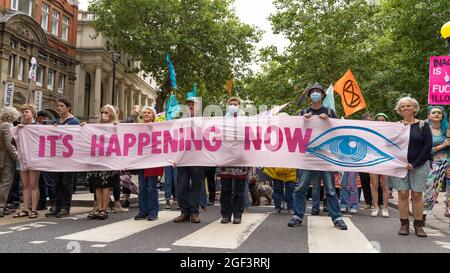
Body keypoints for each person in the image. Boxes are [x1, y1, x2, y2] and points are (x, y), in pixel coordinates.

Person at [288, 83, 347, 230]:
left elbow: (338, 131)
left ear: (322, 95)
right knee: (301, 187)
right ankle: (297, 215)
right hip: (308, 156)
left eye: (318, 91)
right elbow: (294, 134)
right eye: (312, 91)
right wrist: (303, 121)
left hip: (325, 156)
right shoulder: (303, 112)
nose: (315, 93)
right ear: (309, 96)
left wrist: (329, 120)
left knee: (331, 189)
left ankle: (337, 218)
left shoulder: (330, 112)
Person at [389, 97, 431, 237]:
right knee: (402, 194)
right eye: (403, 107)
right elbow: (390, 145)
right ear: (399, 110)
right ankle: (404, 224)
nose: (406, 108)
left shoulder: (423, 125)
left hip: (419, 165)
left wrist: (415, 164)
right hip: (401, 166)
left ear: (414, 108)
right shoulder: (396, 126)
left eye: (408, 106)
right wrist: (398, 162)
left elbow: (427, 147)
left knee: (417, 195)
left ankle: (419, 225)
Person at [45, 98, 80, 218]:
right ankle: (57, 206)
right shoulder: (56, 121)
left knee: (67, 182)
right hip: (58, 157)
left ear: (68, 107)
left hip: (69, 158)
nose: (59, 108)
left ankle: (66, 207)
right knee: (57, 182)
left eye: (62, 106)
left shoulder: (74, 121)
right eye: (58, 106)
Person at [217, 97, 249, 224]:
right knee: (225, 189)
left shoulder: (245, 121)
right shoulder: (221, 121)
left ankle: (237, 214)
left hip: (239, 160)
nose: (233, 106)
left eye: (236, 104)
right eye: (231, 104)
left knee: (239, 190)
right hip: (225, 160)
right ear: (227, 106)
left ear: (239, 106)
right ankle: (225, 214)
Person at [86, 105, 121, 220]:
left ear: (111, 114)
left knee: (105, 186)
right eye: (102, 112)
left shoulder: (116, 126)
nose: (104, 115)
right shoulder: (96, 127)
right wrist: (83, 127)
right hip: (97, 160)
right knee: (97, 186)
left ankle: (104, 209)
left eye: (106, 112)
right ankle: (99, 208)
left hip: (109, 161)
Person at [173, 96, 204, 223]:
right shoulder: (180, 121)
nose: (190, 107)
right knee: (181, 186)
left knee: (195, 186)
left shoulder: (204, 121)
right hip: (183, 158)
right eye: (188, 105)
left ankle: (194, 212)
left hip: (198, 158)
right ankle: (184, 212)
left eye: (193, 105)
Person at [134, 106, 162, 221]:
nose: (146, 114)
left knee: (151, 187)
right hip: (141, 161)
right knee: (142, 187)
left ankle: (153, 211)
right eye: (144, 112)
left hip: (153, 161)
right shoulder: (137, 128)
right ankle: (143, 211)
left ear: (153, 116)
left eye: (149, 113)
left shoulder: (159, 128)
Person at [423, 106, 449, 224]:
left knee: (441, 188)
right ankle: (424, 211)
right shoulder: (425, 129)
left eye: (439, 112)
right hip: (431, 162)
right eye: (434, 112)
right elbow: (425, 150)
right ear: (429, 116)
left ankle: (445, 207)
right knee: (430, 187)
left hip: (446, 163)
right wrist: (442, 145)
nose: (437, 114)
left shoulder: (447, 129)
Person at [13, 104, 40, 219]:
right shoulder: (20, 127)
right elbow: (13, 142)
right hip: (22, 158)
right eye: (22, 111)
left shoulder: (38, 126)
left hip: (34, 158)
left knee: (34, 184)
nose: (24, 113)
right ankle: (25, 208)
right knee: (25, 185)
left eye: (26, 111)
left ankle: (33, 209)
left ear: (33, 113)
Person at [0, 107, 21, 217]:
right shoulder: (8, 126)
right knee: (6, 183)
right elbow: (10, 145)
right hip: (6, 159)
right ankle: (1, 207)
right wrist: (17, 157)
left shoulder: (1, 124)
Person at [370, 113, 390, 218]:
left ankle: (385, 208)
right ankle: (375, 207)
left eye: (383, 120)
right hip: (373, 161)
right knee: (374, 185)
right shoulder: (371, 132)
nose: (381, 122)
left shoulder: (390, 132)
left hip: (385, 161)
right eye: (378, 120)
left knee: (385, 186)